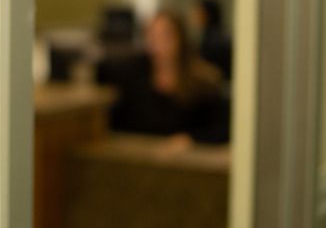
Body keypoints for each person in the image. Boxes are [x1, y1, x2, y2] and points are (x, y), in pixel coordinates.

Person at [97, 10, 230, 144]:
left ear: (180, 39)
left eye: (165, 36)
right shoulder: (132, 76)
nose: (157, 44)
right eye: (152, 36)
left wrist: (191, 139)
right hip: (140, 156)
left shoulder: (203, 80)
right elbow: (117, 123)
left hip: (187, 160)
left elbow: (222, 129)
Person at [191, 0, 233, 80]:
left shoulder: (214, 40)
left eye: (198, 12)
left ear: (208, 15)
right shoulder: (210, 36)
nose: (194, 16)